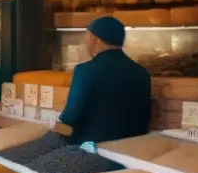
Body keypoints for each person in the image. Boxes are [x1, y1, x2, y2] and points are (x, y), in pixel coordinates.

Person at [59, 16, 151, 144]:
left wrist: (45, 145)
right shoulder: (142, 73)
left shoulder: (85, 71)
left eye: (86, 36)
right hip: (130, 153)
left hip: (90, 154)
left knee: (34, 160)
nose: (85, 42)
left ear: (95, 39)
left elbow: (69, 117)